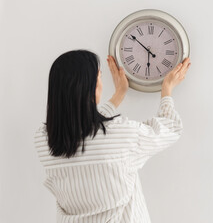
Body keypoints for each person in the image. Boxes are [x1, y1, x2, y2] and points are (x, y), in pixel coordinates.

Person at [34, 50, 191, 223]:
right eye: (99, 77)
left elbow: (85, 132)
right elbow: (170, 128)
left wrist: (118, 95)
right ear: (91, 86)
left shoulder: (44, 141)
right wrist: (167, 89)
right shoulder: (121, 134)